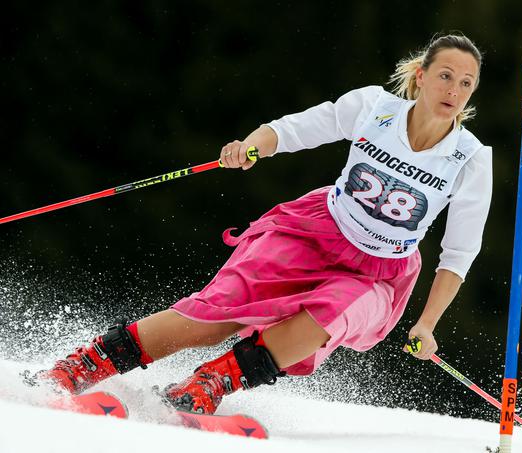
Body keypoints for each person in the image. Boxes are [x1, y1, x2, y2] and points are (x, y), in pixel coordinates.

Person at [33, 32, 493, 415]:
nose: (453, 91)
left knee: (330, 315)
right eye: (445, 76)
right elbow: (300, 128)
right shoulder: (375, 108)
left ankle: (212, 382)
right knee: (219, 312)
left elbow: (458, 252)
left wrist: (428, 323)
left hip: (378, 272)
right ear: (421, 76)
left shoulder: (470, 159)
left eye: (466, 84)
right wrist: (254, 144)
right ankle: (85, 365)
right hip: (317, 231)